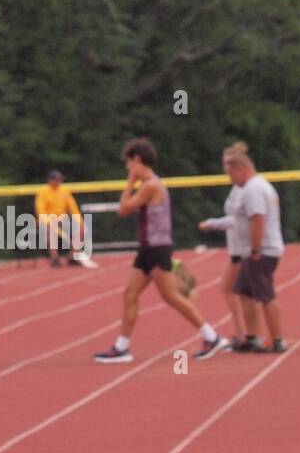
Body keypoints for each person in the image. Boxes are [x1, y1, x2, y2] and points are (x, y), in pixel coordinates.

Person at [93, 138, 231, 363]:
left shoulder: (151, 186)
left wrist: (130, 181)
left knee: (172, 296)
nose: (127, 168)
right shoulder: (151, 184)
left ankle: (212, 336)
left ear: (137, 160)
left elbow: (123, 209)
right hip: (148, 248)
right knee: (130, 294)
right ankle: (122, 346)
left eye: (128, 163)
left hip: (156, 248)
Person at [199, 142, 287, 353]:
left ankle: (278, 340)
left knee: (265, 295)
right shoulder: (254, 187)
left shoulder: (253, 189)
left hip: (262, 251)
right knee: (244, 293)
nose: (229, 178)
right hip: (255, 250)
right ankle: (252, 336)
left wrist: (255, 249)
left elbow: (258, 219)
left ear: (240, 169)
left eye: (230, 173)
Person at [34, 170, 96, 269]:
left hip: (62, 220)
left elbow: (73, 208)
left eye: (60, 179)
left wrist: (80, 223)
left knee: (82, 230)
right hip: (46, 221)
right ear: (50, 180)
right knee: (50, 232)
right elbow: (40, 211)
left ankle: (73, 257)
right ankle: (55, 259)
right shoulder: (42, 192)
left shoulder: (64, 191)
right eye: (56, 179)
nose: (59, 181)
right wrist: (50, 223)